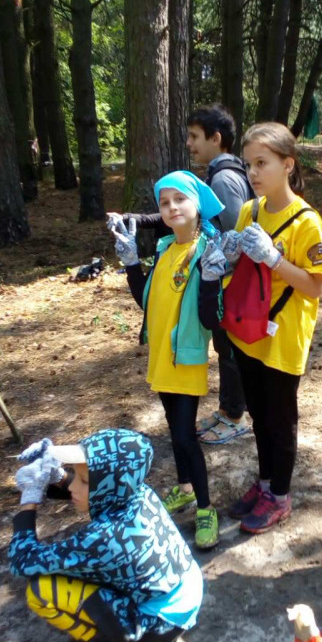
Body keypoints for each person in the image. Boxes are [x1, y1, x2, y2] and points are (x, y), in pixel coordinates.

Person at [8, 431, 203, 642]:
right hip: (186, 591)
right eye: (75, 476)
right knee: (79, 571)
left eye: (83, 480)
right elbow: (97, 491)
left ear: (105, 485)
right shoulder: (137, 491)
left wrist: (30, 498)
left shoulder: (103, 539)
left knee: (41, 590)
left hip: (160, 627)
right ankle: (123, 630)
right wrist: (56, 476)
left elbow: (22, 560)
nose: (73, 487)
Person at [110, 104, 253, 446]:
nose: (189, 144)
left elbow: (231, 232)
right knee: (225, 349)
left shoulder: (224, 179)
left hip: (223, 281)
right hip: (217, 278)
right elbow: (188, 218)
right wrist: (139, 220)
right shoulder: (219, 175)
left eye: (194, 137)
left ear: (215, 139)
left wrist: (212, 274)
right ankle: (228, 409)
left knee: (229, 351)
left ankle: (235, 416)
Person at [109, 171, 228, 550]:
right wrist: (132, 263)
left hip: (186, 359)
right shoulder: (164, 248)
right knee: (173, 428)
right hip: (161, 355)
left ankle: (206, 508)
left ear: (197, 205)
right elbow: (146, 300)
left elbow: (212, 319)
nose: (172, 207)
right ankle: (185, 488)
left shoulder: (207, 250)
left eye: (180, 199)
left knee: (183, 436)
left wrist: (210, 279)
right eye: (164, 202)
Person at [222, 122, 322, 534]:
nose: (253, 173)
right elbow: (238, 266)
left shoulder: (307, 222)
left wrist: (274, 259)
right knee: (259, 415)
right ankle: (265, 483)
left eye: (262, 163)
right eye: (249, 164)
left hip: (283, 336)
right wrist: (227, 255)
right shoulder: (249, 211)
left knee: (280, 421)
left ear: (288, 164)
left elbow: (314, 287)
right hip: (248, 330)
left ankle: (280, 497)